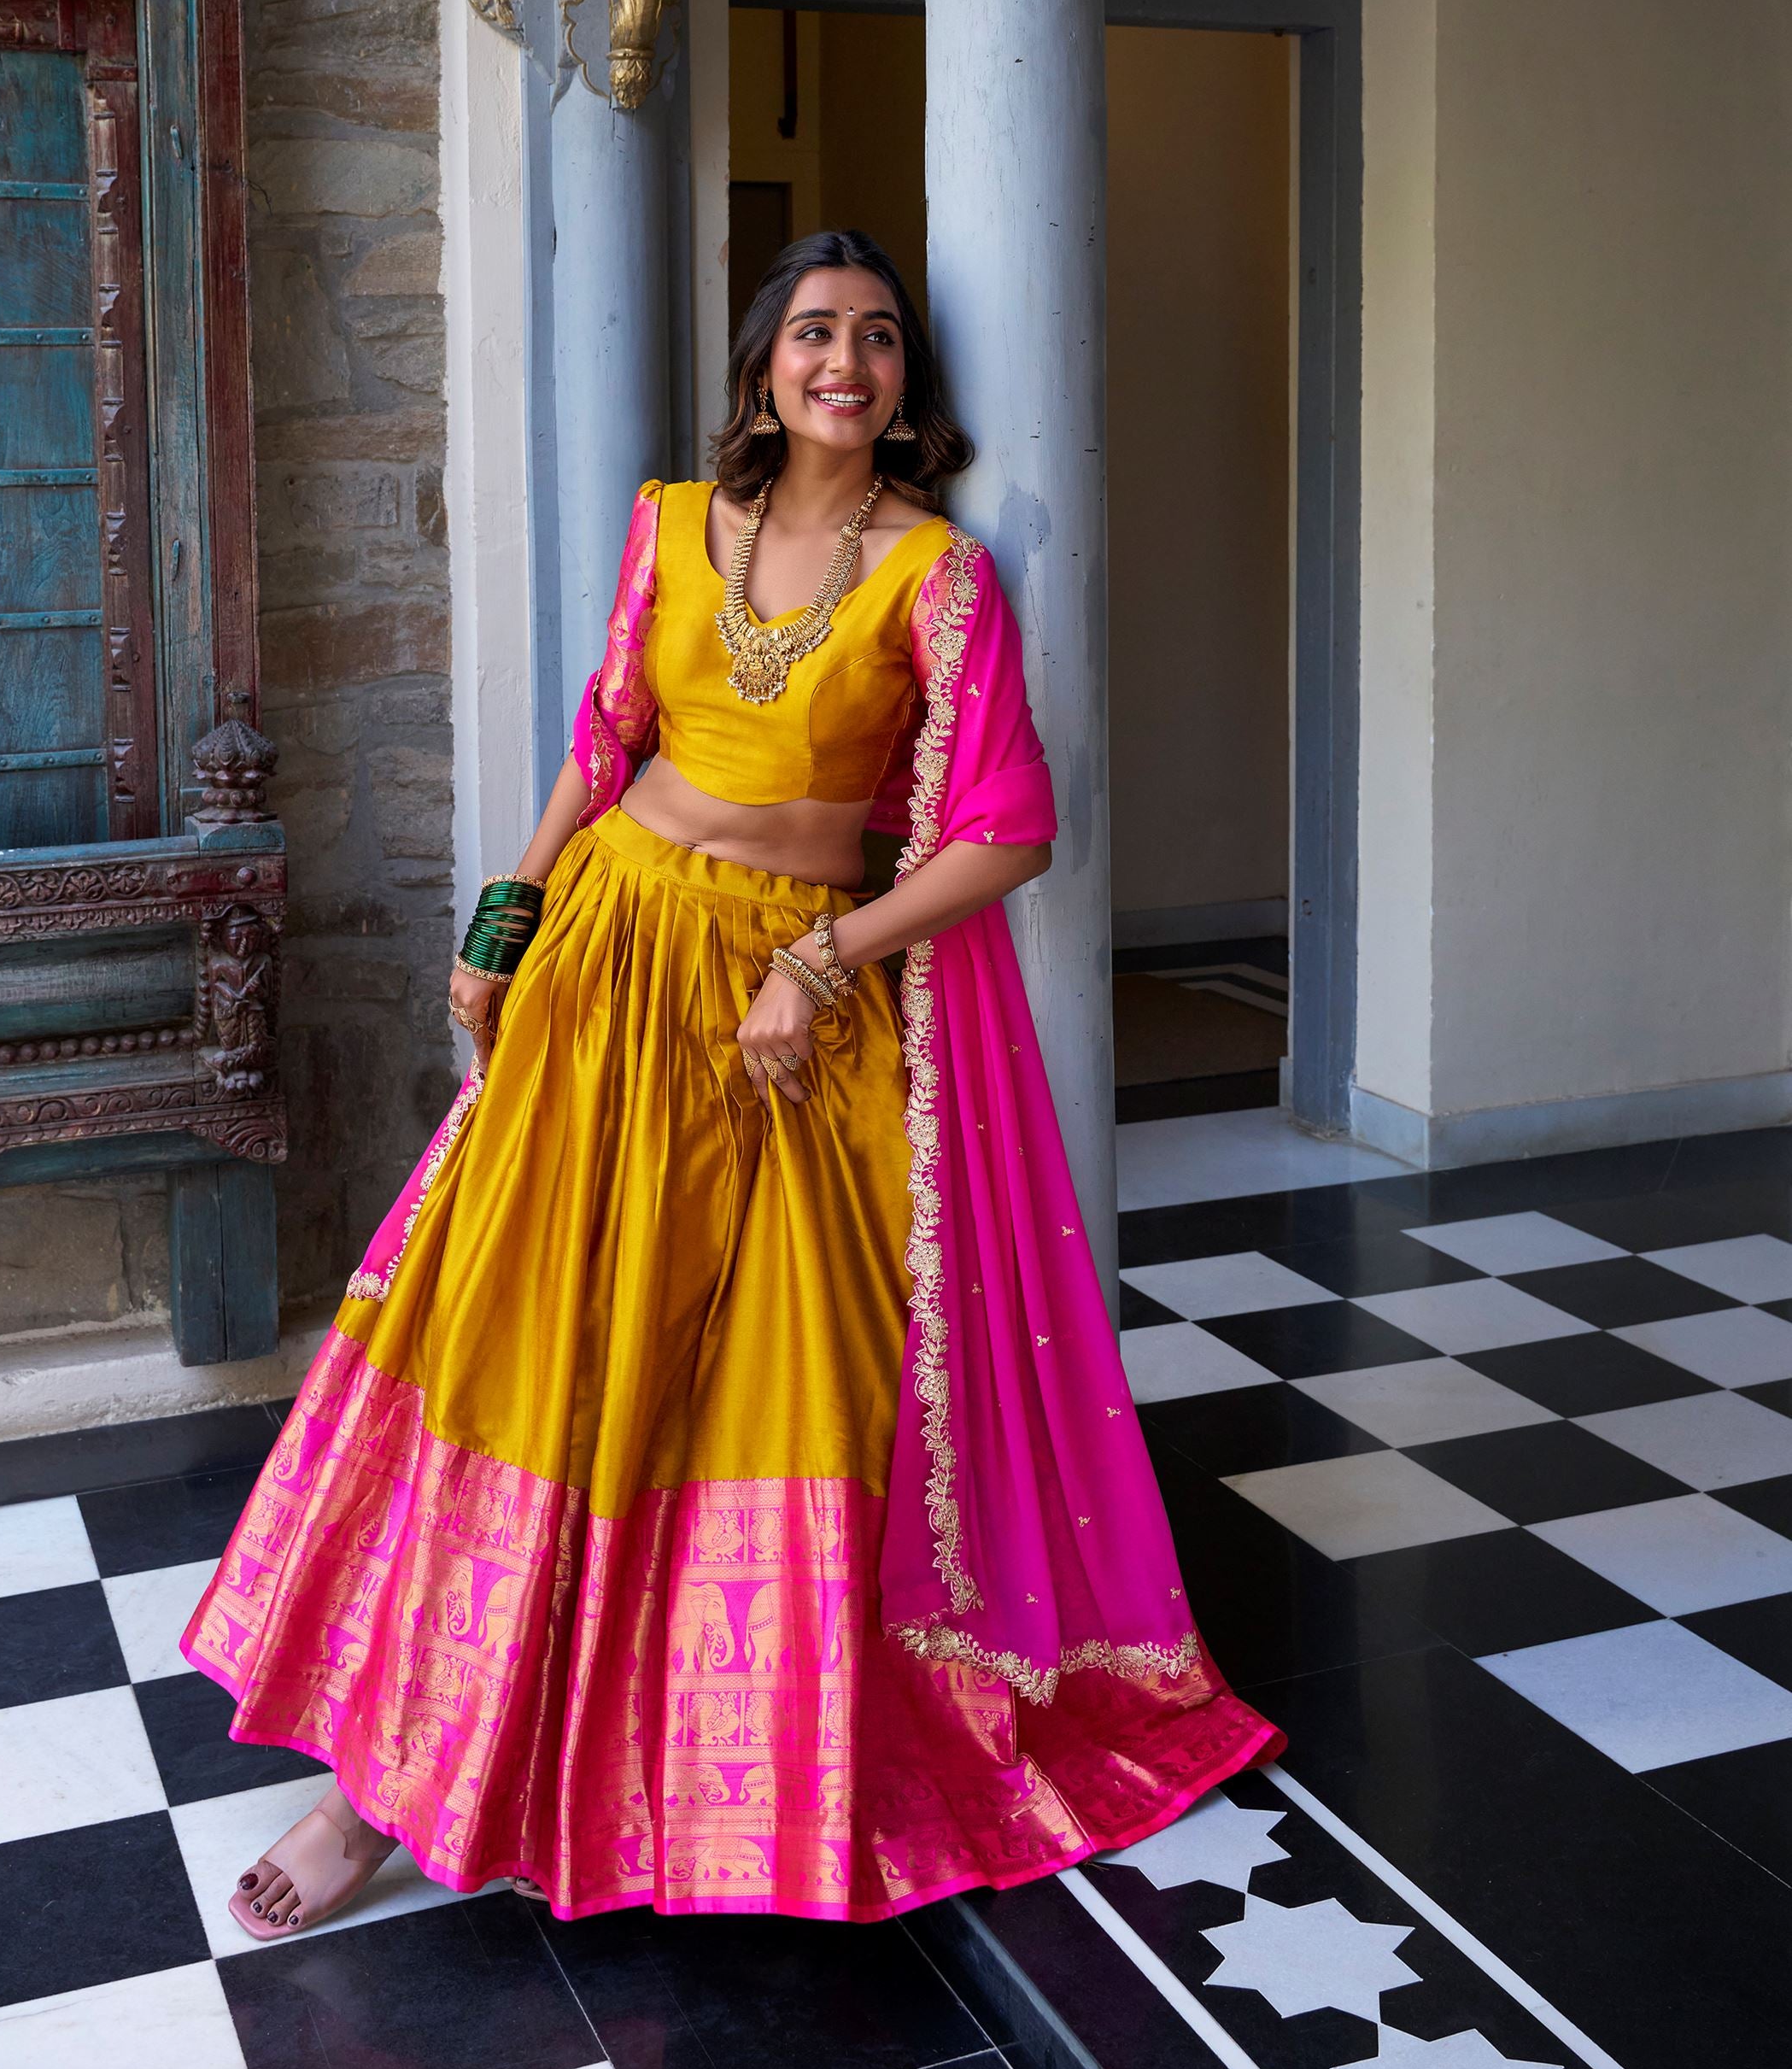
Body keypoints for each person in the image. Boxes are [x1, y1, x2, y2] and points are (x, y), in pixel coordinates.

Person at [183, 227, 1280, 1932]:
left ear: (908, 384)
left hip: (791, 1010)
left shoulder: (940, 576)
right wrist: (504, 916)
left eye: (883, 338)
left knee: (805, 1378)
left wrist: (823, 956)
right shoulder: (665, 531)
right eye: (817, 331)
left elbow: (1009, 831)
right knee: (535, 1346)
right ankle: (376, 1792)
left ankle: (737, 1771)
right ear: (764, 362)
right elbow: (604, 747)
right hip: (609, 965)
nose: (849, 359)